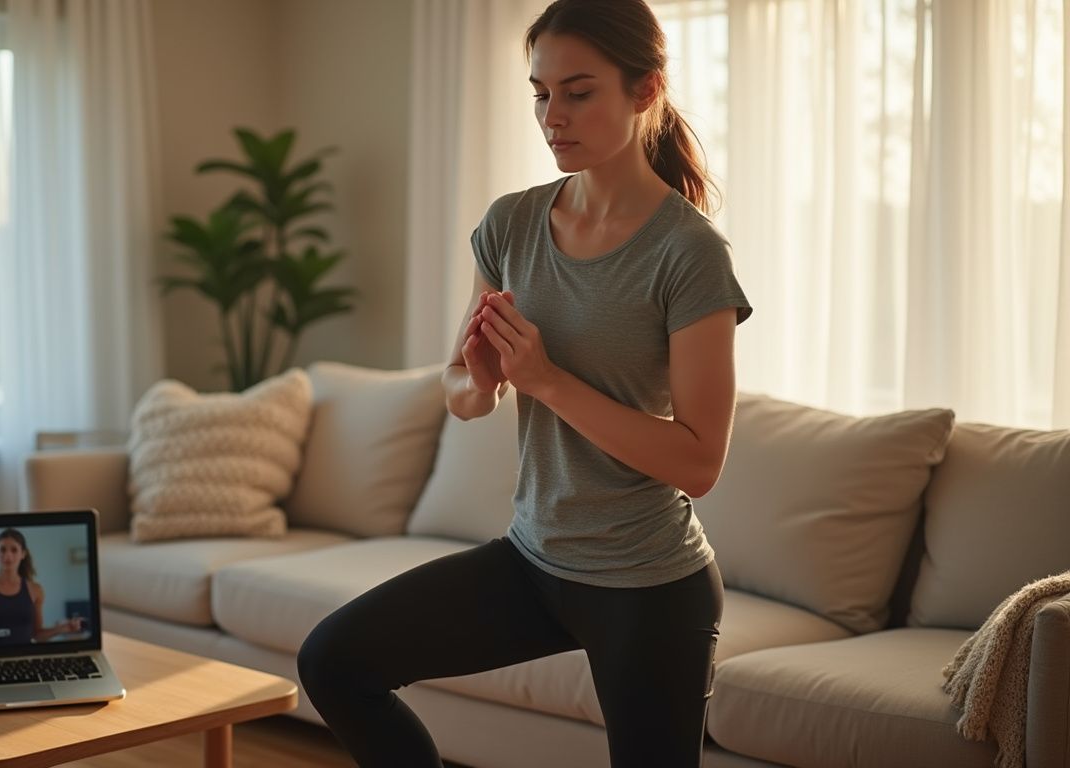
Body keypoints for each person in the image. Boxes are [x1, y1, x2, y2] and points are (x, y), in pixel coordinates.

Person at [296, 1, 753, 765]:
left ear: (645, 92)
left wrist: (544, 380)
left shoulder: (689, 254)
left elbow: (699, 463)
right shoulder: (510, 224)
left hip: (649, 586)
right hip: (533, 560)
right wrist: (481, 383)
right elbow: (460, 390)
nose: (553, 116)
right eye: (541, 93)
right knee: (334, 662)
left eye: (579, 92)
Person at [0, 528, 84, 647]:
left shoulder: (36, 590)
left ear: (23, 554)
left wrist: (61, 629)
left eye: (14, 550)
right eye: (3, 549)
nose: (8, 556)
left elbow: (36, 635)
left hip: (24, 660)